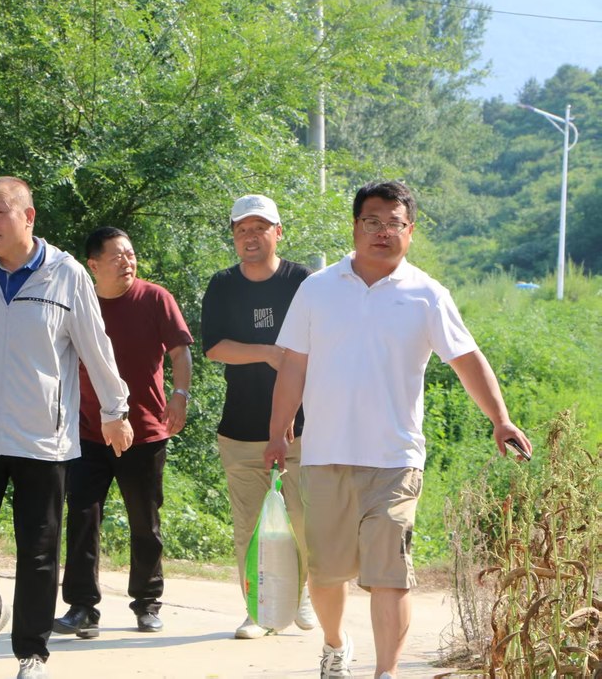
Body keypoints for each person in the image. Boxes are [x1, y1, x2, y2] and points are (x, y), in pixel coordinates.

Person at [266, 180, 532, 679]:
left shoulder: (427, 295)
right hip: (324, 455)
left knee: (391, 575)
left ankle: (385, 672)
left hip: (395, 459)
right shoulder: (317, 289)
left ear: (410, 231)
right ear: (355, 227)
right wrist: (278, 431)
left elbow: (467, 359)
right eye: (373, 221)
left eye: (394, 223)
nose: (383, 232)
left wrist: (501, 419)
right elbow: (294, 366)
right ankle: (335, 644)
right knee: (325, 574)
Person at [0, 177, 133, 679]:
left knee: (38, 550)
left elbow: (96, 349)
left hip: (42, 439)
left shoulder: (66, 275)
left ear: (28, 217)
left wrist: (115, 410)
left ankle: (32, 652)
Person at [53, 227, 193, 638]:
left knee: (145, 522)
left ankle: (147, 603)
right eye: (117, 256)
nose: (127, 262)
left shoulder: (155, 298)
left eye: (130, 254)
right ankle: (82, 608)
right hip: (87, 431)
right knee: (82, 518)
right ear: (93, 265)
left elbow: (180, 352)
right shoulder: (79, 303)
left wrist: (180, 395)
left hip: (145, 431)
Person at [200, 193, 317, 640]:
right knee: (249, 526)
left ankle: (301, 596)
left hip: (303, 428)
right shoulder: (222, 285)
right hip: (241, 429)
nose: (250, 236)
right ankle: (256, 609)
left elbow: (321, 343)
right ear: (234, 237)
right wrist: (268, 353)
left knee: (303, 521)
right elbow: (214, 347)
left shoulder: (303, 282)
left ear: (278, 232)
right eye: (241, 229)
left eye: (259, 228)